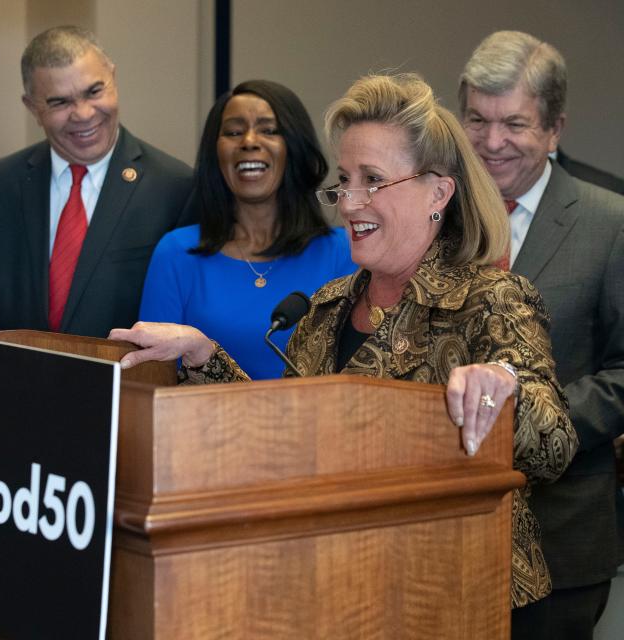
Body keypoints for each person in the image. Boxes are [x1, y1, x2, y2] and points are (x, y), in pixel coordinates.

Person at [111, 73, 577, 610]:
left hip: (456, 596)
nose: (350, 202)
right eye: (344, 180)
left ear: (438, 192)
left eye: (373, 180)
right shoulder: (329, 305)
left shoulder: (491, 298)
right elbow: (286, 438)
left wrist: (506, 385)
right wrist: (203, 354)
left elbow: (555, 445)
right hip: (341, 591)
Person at [459, 30, 624, 638]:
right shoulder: (429, 219)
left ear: (555, 129)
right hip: (443, 535)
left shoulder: (611, 224)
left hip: (562, 540)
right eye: (477, 119)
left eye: (516, 124)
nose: (493, 142)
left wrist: (527, 420)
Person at [0, 26, 194, 338]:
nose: (82, 114)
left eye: (94, 92)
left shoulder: (175, 188)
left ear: (113, 79)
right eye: (59, 102)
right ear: (32, 107)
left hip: (128, 384)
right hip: (12, 383)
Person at [139, 80, 355, 379]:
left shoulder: (346, 252)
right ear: (216, 153)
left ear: (295, 147)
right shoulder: (176, 253)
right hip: (196, 424)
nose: (249, 141)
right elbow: (152, 381)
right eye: (233, 132)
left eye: (268, 130)